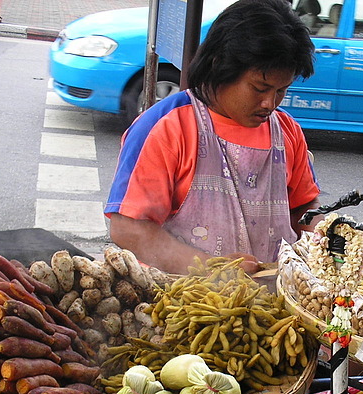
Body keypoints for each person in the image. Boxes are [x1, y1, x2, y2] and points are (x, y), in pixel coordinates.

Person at [105, 0, 320, 275]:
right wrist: (213, 269)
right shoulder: (167, 126)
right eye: (259, 88)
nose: (270, 103)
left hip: (274, 300)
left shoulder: (287, 131)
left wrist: (321, 235)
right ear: (221, 66)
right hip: (185, 302)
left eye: (281, 90)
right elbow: (128, 228)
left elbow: (305, 204)